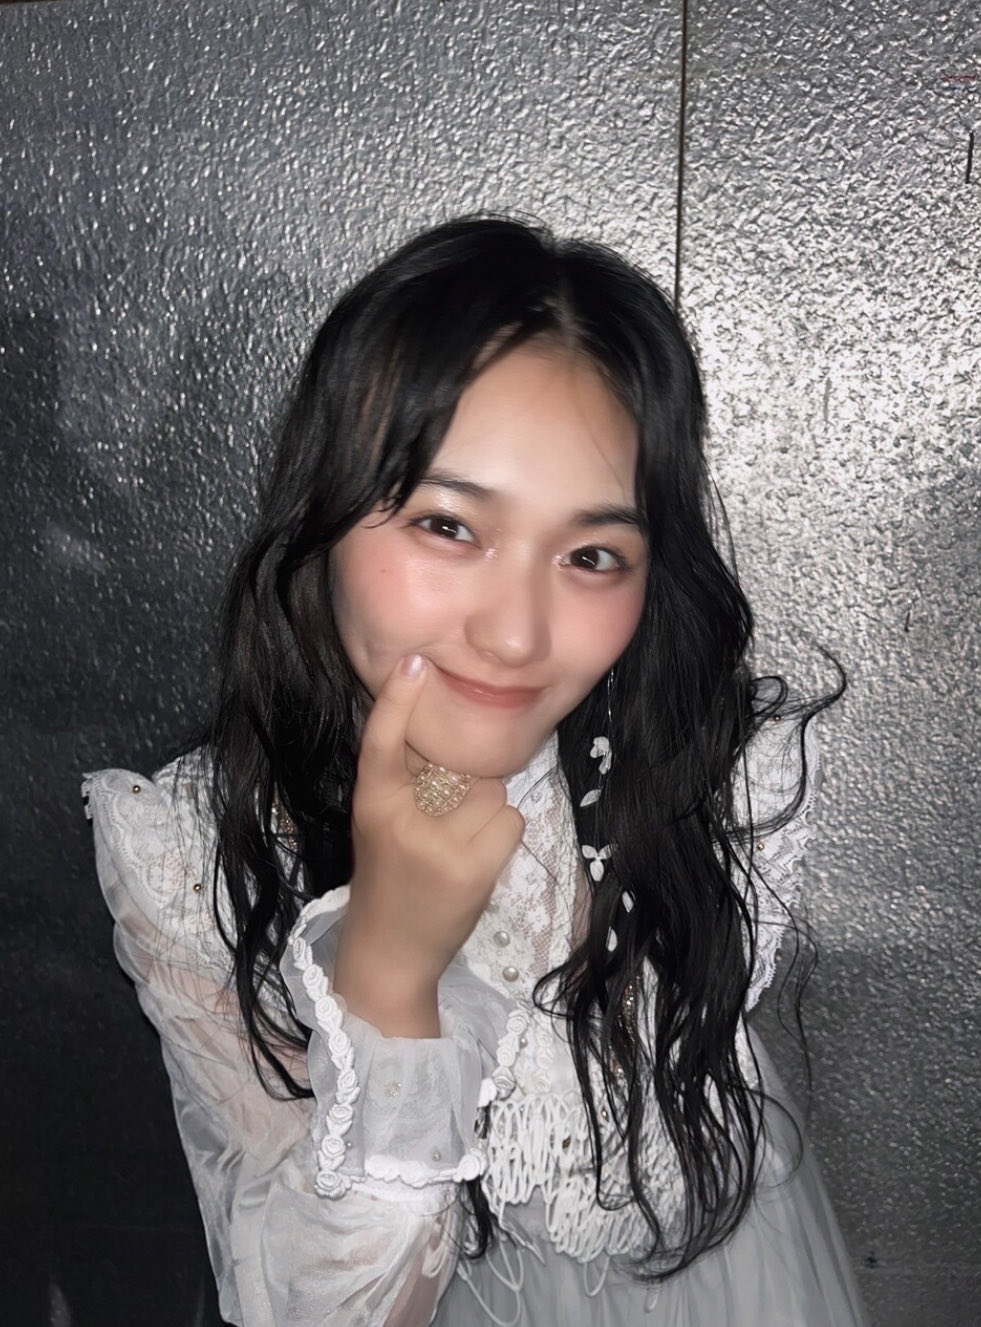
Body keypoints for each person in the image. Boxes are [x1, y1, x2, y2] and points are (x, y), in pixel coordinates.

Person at [85, 217, 870, 1326]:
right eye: (449, 526)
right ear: (324, 514)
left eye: (592, 554)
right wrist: (390, 982)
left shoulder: (713, 774)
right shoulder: (192, 850)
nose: (514, 634)